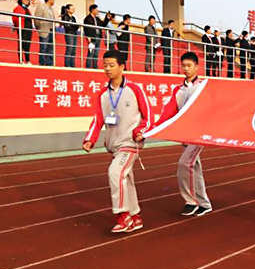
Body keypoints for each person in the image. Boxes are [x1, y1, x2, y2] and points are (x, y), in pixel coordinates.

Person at [82, 50, 151, 233]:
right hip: (114, 145)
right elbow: (98, 119)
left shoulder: (135, 89)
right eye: (105, 65)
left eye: (111, 65)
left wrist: (140, 131)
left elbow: (148, 117)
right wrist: (90, 139)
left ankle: (122, 215)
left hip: (130, 143)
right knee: (125, 179)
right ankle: (135, 216)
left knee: (115, 173)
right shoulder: (103, 95)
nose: (107, 69)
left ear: (122, 66)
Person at [149, 52, 213, 217]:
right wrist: (153, 128)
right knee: (194, 168)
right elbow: (169, 112)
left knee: (185, 163)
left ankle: (191, 201)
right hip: (185, 135)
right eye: (183, 66)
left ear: (196, 67)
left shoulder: (203, 87)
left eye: (189, 66)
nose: (185, 69)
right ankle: (204, 203)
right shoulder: (178, 90)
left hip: (198, 134)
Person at [34, 0, 56, 66]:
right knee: (43, 47)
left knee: (50, 48)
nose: (54, 1)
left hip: (51, 30)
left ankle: (49, 63)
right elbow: (36, 19)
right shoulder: (41, 7)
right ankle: (42, 63)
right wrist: (39, 28)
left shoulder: (52, 9)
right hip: (44, 30)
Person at [83, 4, 104, 69]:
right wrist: (89, 38)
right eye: (96, 10)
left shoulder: (97, 19)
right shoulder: (87, 18)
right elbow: (86, 29)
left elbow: (103, 25)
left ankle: (95, 66)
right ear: (92, 10)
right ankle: (88, 66)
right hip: (92, 38)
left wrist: (107, 19)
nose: (97, 11)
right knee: (91, 52)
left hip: (98, 37)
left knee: (96, 53)